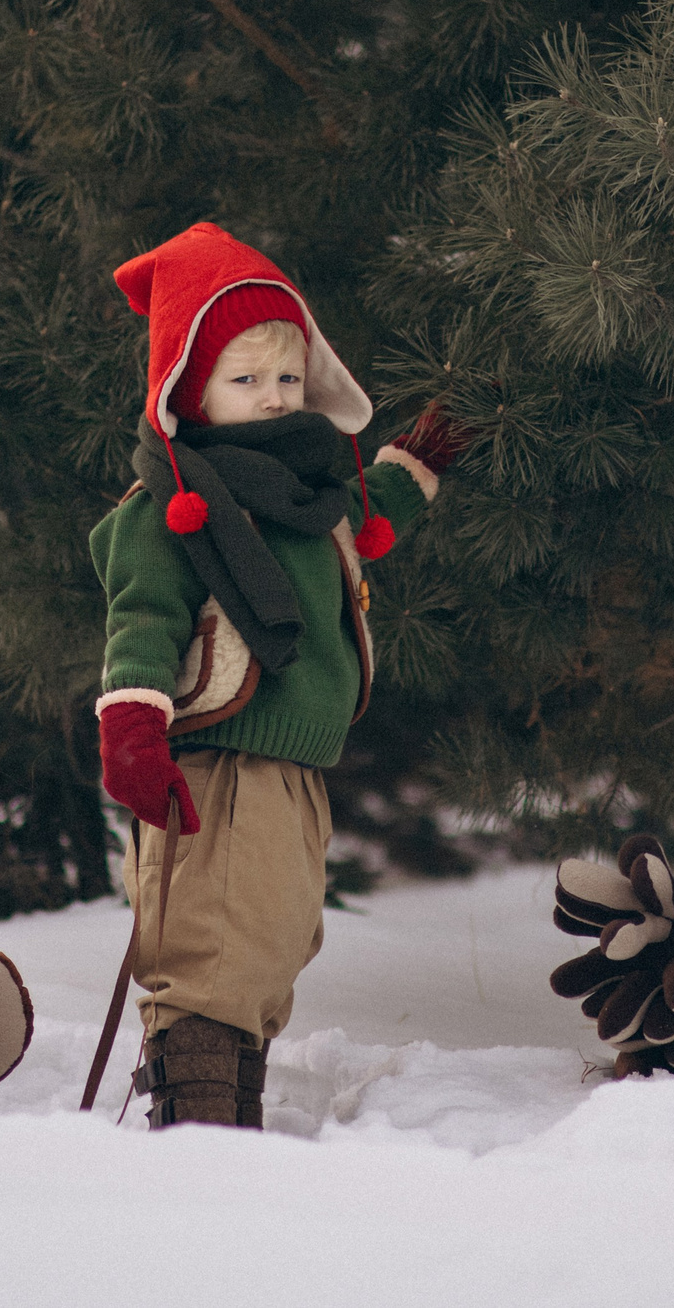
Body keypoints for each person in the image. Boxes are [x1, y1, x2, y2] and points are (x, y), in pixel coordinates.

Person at [89, 221, 462, 1128]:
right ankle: (200, 1112)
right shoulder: (172, 506)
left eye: (287, 378)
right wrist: (132, 727)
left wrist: (411, 471)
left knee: (273, 939)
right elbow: (142, 620)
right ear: (189, 388)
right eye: (244, 379)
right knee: (212, 940)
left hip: (294, 764)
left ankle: (229, 1088)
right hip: (215, 766)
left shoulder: (302, 487)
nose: (271, 398)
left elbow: (359, 525)